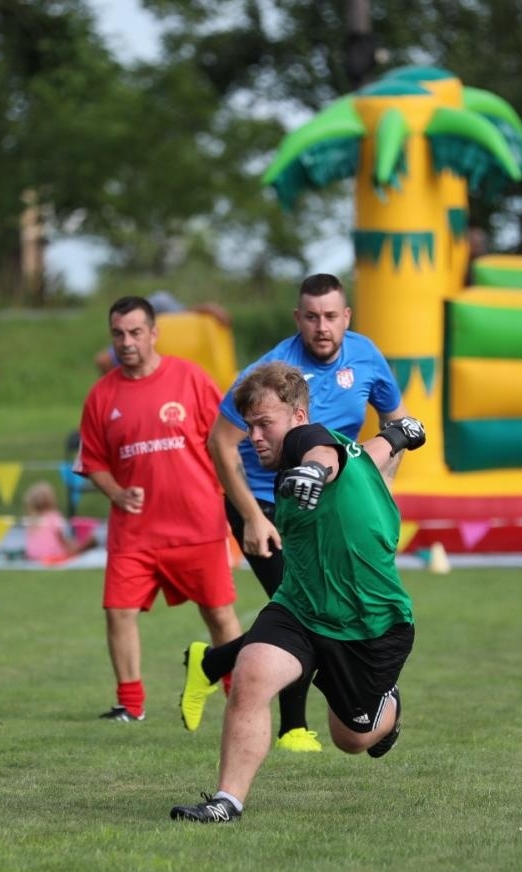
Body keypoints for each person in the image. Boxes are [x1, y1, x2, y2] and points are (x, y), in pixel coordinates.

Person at [171, 362, 427, 822]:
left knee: (352, 739)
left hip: (370, 623)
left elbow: (321, 456)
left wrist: (311, 473)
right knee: (250, 672)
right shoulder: (347, 451)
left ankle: (389, 709)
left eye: (264, 423)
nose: (254, 436)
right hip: (301, 607)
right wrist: (402, 432)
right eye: (248, 426)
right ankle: (226, 802)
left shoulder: (309, 443)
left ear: (298, 418)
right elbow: (370, 449)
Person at [189, 272, 408, 753]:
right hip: (272, 504)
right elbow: (220, 443)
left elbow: (396, 420)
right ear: (297, 318)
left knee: (314, 610)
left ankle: (213, 664)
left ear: (346, 317)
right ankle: (294, 726)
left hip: (332, 506)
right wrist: (251, 516)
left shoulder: (366, 355)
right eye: (311, 317)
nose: (322, 327)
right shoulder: (271, 371)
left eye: (331, 316)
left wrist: (382, 486)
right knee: (304, 610)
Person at [74, 295, 242, 722]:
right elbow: (92, 461)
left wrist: (238, 498)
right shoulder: (100, 396)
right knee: (118, 611)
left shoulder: (191, 379)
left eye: (134, 332)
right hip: (135, 532)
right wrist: (116, 492)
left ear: (154, 333)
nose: (126, 342)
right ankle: (130, 705)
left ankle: (238, 697)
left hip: (197, 524)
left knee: (220, 614)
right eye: (117, 334)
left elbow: (225, 439)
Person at [92, 291, 233, 375]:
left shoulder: (164, 306)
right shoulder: (159, 303)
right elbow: (103, 360)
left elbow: (186, 315)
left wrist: (204, 309)